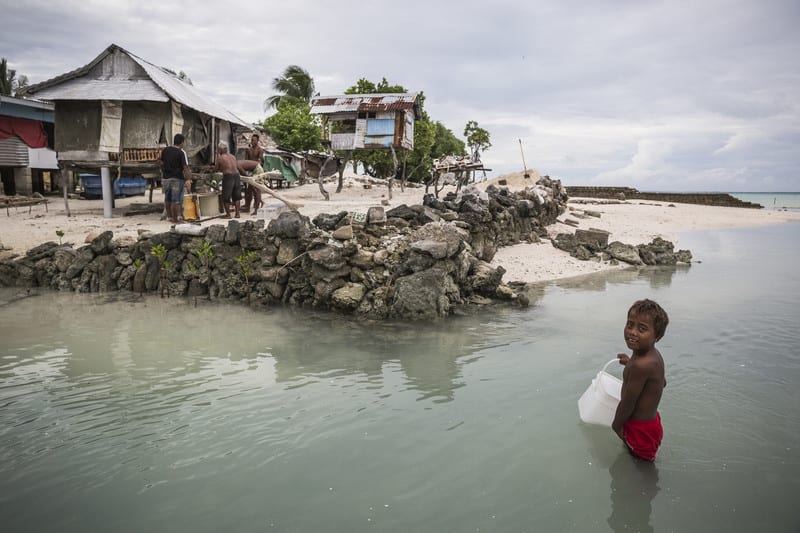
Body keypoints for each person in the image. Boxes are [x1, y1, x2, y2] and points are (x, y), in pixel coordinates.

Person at [611, 299, 669, 461]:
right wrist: (629, 363)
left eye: (642, 329)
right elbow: (662, 383)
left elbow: (628, 402)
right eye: (630, 325)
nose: (632, 332)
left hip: (639, 429)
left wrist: (616, 426)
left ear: (657, 336)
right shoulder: (653, 357)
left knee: (642, 468)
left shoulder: (640, 366)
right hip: (650, 424)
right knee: (639, 460)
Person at [159, 133, 192, 224]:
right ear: (181, 142)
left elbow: (161, 163)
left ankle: (169, 217)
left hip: (166, 178)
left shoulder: (165, 150)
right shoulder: (181, 153)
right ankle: (175, 220)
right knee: (176, 200)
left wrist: (164, 171)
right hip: (177, 178)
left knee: (167, 198)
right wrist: (188, 179)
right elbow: (185, 167)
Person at [214, 141, 241, 218]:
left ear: (223, 150)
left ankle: (228, 214)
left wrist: (212, 170)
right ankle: (237, 214)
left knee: (226, 196)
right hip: (237, 176)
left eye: (219, 149)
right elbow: (236, 166)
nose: (218, 151)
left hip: (228, 177)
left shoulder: (220, 158)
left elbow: (216, 169)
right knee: (237, 196)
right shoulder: (233, 157)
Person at [241, 133, 264, 215]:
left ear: (257, 141)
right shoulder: (249, 150)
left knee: (256, 190)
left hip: (257, 170)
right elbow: (246, 160)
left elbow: (260, 161)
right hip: (250, 171)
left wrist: (256, 167)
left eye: (254, 140)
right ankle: (247, 206)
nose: (252, 141)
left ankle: (256, 208)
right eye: (252, 140)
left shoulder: (260, 150)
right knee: (248, 190)